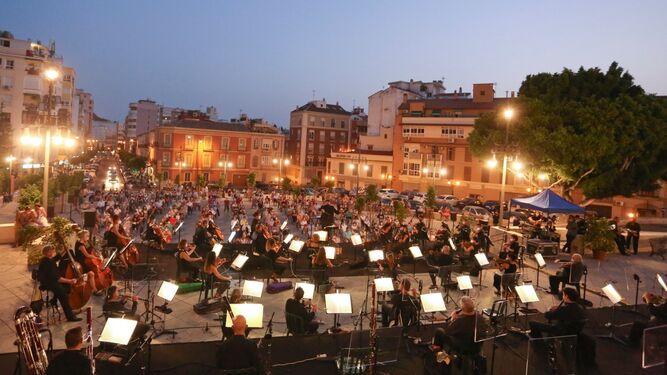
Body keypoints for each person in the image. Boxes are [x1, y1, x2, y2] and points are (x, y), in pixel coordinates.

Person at [37, 245, 82, 322]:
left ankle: (56, 301)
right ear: (48, 252)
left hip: (49, 281)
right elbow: (57, 279)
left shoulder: (47, 259)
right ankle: (70, 317)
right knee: (63, 294)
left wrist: (65, 249)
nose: (54, 251)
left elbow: (57, 257)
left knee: (65, 288)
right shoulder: (48, 263)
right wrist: (70, 281)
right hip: (49, 283)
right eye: (53, 250)